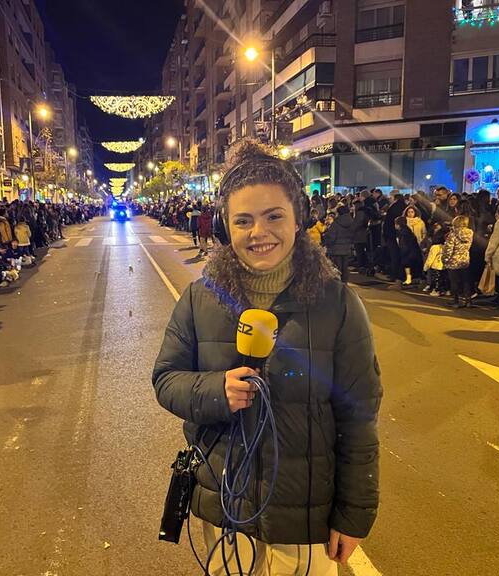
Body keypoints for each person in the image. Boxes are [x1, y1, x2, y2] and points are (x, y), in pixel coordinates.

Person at [152, 140, 382, 575]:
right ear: (226, 228)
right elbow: (166, 379)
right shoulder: (200, 299)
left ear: (299, 219)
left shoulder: (338, 304)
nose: (259, 232)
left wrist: (354, 514)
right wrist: (214, 390)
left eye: (274, 216)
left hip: (306, 521)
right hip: (226, 511)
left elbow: (359, 418)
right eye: (244, 220)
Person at [442, 215, 474, 308]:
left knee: (454, 282)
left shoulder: (452, 235)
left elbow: (448, 250)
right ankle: (468, 301)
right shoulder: (470, 233)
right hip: (464, 260)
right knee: (466, 281)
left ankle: (456, 301)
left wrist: (444, 260)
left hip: (453, 261)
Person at [322, 205, 355, 284]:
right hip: (347, 248)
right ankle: (345, 283)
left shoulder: (336, 223)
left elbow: (331, 237)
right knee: (345, 268)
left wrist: (327, 242)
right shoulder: (352, 222)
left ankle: (338, 284)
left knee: (337, 268)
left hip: (336, 248)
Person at [395, 216, 423, 286]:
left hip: (409, 253)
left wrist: (402, 253)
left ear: (398, 224)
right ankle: (412, 278)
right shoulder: (408, 231)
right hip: (414, 252)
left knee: (406, 265)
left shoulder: (402, 233)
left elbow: (404, 246)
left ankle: (408, 279)